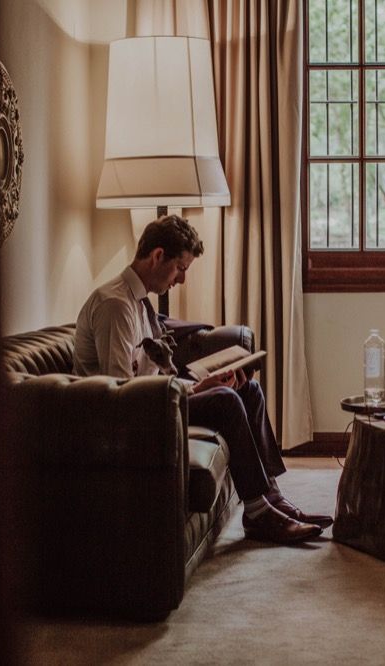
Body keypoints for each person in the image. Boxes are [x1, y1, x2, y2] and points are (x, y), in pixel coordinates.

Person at [73, 214, 332, 544]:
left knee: (248, 388)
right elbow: (122, 391)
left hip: (156, 400)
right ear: (157, 256)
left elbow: (156, 374)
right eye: (180, 268)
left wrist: (199, 383)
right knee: (225, 400)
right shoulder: (115, 305)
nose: (181, 280)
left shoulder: (139, 304)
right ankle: (258, 513)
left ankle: (271, 499)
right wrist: (195, 389)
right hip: (129, 417)